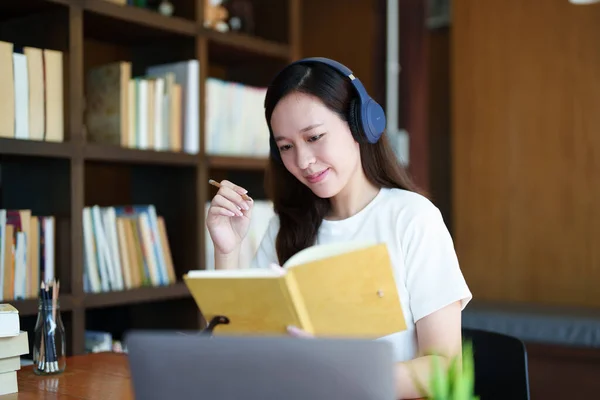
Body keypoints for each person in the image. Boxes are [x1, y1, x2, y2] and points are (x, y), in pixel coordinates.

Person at [206, 57, 472, 399]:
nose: (302, 161)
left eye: (314, 137)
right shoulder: (286, 226)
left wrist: (337, 368)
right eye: (286, 147)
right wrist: (227, 251)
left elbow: (445, 370)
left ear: (360, 125)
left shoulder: (413, 219)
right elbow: (233, 355)